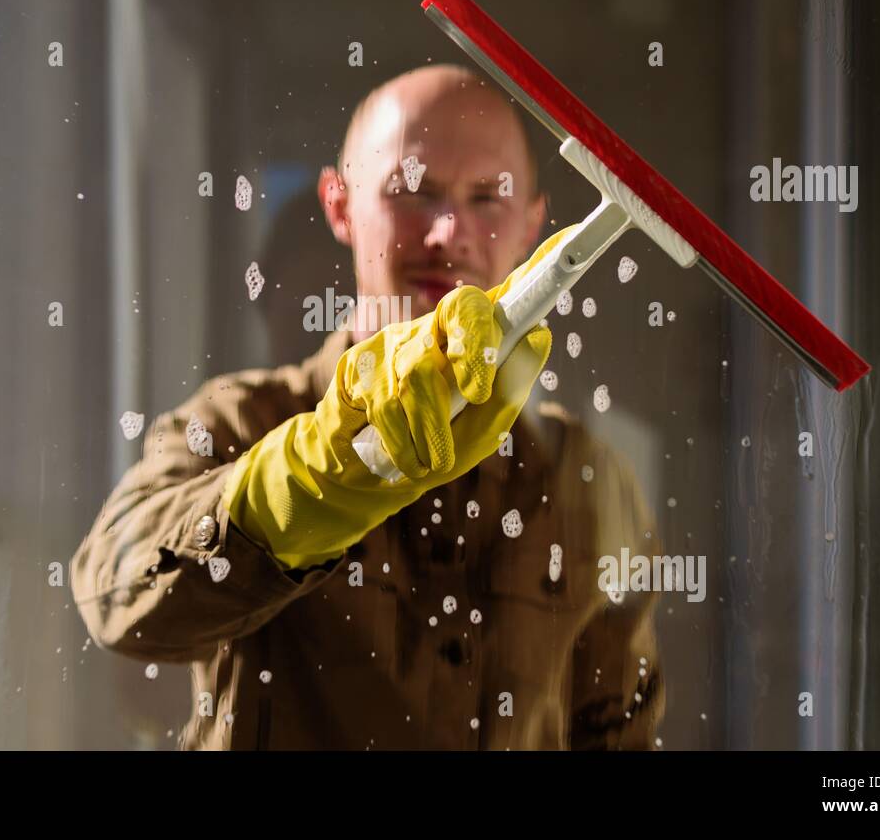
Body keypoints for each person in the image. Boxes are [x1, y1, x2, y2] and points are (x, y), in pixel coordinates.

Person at [72, 64, 664, 749]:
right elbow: (115, 600)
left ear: (533, 223)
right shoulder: (236, 421)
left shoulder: (589, 477)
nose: (448, 233)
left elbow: (618, 727)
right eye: (413, 190)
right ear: (340, 204)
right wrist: (313, 475)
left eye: (487, 198)